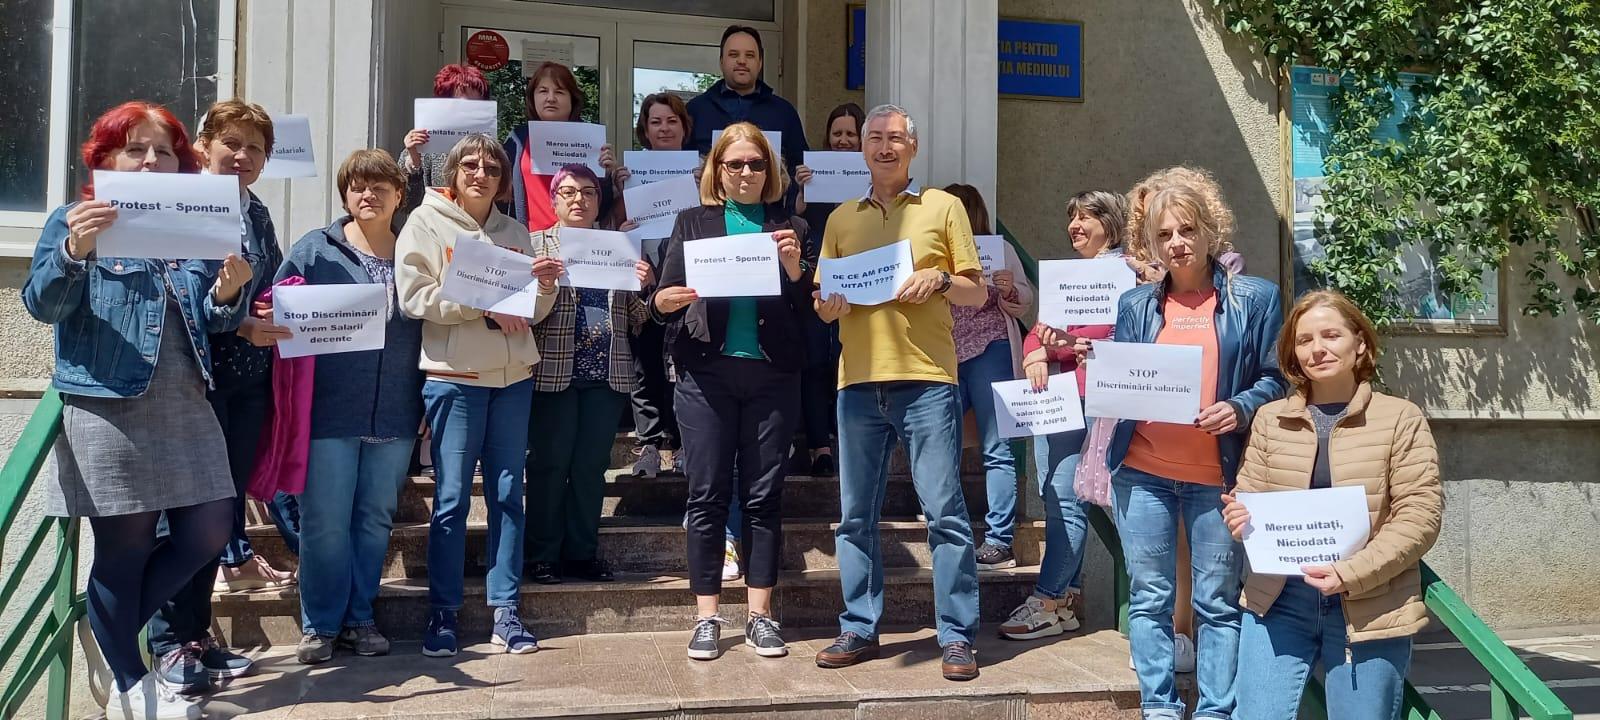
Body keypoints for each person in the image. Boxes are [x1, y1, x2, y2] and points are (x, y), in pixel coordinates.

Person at [22, 100, 253, 720]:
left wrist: (228, 294)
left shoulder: (189, 227)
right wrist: (76, 249)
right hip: (110, 407)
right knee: (123, 554)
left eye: (165, 150)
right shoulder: (72, 220)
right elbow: (41, 305)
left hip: (186, 400)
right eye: (135, 149)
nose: (152, 160)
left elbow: (206, 318)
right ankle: (132, 684)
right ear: (106, 159)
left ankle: (109, 637)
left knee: (208, 532)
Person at [1101, 170, 1288, 720]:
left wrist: (1240, 406)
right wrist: (1104, 372)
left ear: (1210, 232)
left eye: (1187, 229)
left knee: (1217, 603)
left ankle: (1214, 711)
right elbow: (1128, 378)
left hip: (1217, 477)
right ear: (1149, 244)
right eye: (1164, 235)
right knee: (1150, 597)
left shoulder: (1256, 298)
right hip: (1141, 470)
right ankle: (1158, 707)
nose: (1177, 243)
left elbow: (1276, 376)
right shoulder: (1135, 304)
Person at [811, 104, 988, 681]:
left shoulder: (944, 207)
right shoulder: (840, 219)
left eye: (896, 139)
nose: (885, 148)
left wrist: (940, 277)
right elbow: (822, 300)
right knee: (853, 517)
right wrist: (826, 305)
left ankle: (956, 636)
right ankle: (859, 626)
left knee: (945, 515)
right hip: (857, 384)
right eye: (875, 139)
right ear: (862, 149)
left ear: (914, 147)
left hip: (928, 381)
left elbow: (974, 294)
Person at [1224, 291, 1442, 720]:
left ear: (1359, 342)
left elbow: (1420, 516)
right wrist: (1240, 516)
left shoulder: (1401, 417)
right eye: (1304, 341)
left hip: (1370, 607)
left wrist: (1349, 573)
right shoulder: (1270, 419)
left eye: (1330, 335)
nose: (1317, 349)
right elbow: (1248, 492)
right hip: (1278, 602)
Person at [651, 122, 813, 661]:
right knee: (707, 494)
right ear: (717, 171)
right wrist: (666, 301)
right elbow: (662, 298)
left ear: (771, 171)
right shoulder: (692, 222)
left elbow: (809, 311)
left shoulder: (790, 225)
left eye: (756, 164)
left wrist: (794, 268)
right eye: (735, 164)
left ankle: (761, 616)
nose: (746, 172)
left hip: (772, 375)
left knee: (764, 498)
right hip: (706, 374)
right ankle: (707, 617)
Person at [396, 134, 558, 657]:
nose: (480, 173)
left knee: (510, 497)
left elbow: (531, 311)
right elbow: (414, 296)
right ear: (453, 172)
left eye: (491, 166)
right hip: (456, 377)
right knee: (450, 500)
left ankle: (506, 611)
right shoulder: (424, 221)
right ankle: (443, 614)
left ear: (502, 178)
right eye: (470, 164)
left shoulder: (515, 230)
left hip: (513, 378)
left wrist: (548, 286)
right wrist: (482, 305)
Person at [146, 98, 286, 695]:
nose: (243, 156)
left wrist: (280, 308)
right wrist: (237, 321)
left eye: (255, 148)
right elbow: (174, 300)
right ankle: (167, 643)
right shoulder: (180, 203)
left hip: (247, 381)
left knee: (218, 515)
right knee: (179, 514)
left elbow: (271, 281)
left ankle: (198, 635)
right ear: (203, 145)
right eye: (232, 142)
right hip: (195, 382)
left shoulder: (257, 213)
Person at [283, 150, 426, 664]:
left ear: (398, 194)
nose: (368, 195)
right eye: (357, 186)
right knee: (323, 520)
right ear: (345, 195)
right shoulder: (315, 250)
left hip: (396, 408)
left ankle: (360, 617)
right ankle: (321, 624)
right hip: (328, 411)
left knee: (374, 519)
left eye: (380, 186)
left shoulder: (416, 247)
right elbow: (277, 309)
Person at [999, 189, 1128, 641]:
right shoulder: (1070, 275)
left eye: (1085, 217)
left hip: (1095, 400)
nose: (1074, 226)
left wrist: (1070, 346)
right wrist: (1035, 352)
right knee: (1056, 495)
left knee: (1065, 494)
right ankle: (1066, 601)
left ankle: (1048, 596)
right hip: (1055, 398)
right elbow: (1040, 330)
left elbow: (1121, 336)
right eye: (1071, 217)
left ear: (1110, 223)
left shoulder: (1127, 275)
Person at [525, 164, 652, 586]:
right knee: (548, 466)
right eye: (568, 192)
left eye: (588, 192)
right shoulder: (534, 245)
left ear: (600, 200)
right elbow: (524, 310)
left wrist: (643, 283)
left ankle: (582, 552)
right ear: (554, 199)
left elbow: (638, 318)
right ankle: (542, 554)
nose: (578, 200)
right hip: (554, 372)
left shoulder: (618, 245)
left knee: (590, 468)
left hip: (607, 374)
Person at [939, 183, 1035, 570]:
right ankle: (947, 529)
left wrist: (1011, 290)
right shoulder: (934, 251)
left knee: (997, 448)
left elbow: (1026, 300)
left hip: (991, 348)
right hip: (944, 353)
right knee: (937, 444)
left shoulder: (999, 249)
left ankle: (999, 541)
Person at [618, 92, 693, 479]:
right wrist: (621, 205)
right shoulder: (630, 176)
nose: (664, 129)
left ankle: (680, 443)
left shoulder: (702, 173)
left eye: (671, 121)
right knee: (643, 363)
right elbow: (613, 229)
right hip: (642, 281)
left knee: (683, 364)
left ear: (684, 127)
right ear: (644, 130)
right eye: (655, 122)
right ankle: (648, 444)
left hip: (686, 282)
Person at [789, 101, 865, 476]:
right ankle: (820, 446)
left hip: (862, 285)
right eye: (838, 133)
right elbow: (794, 223)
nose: (844, 140)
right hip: (816, 281)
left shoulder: (874, 180)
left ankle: (846, 438)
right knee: (816, 362)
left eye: (851, 134)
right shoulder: (811, 178)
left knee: (848, 361)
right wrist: (802, 195)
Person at [503, 61, 619, 232]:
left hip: (578, 242)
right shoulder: (517, 139)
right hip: (530, 243)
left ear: (572, 99)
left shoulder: (590, 140)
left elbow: (602, 210)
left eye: (559, 91)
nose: (551, 98)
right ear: (532, 97)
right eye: (543, 91)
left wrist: (607, 176)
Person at [686, 25, 808, 181]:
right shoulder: (696, 110)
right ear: (722, 61)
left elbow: (800, 169)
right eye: (733, 54)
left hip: (768, 205)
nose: (742, 61)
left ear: (760, 63)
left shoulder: (784, 112)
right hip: (711, 204)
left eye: (750, 55)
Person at [401, 63, 490, 218]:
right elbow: (405, 204)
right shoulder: (423, 146)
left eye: (475, 105)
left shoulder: (493, 151)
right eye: (458, 103)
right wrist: (414, 161)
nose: (466, 111)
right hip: (434, 232)